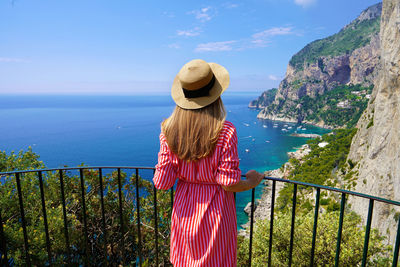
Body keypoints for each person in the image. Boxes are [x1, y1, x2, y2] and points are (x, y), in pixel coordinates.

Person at [153, 59, 264, 266]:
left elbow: (162, 182)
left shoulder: (168, 129)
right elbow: (229, 182)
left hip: (184, 212)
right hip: (216, 213)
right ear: (216, 95)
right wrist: (252, 182)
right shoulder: (225, 131)